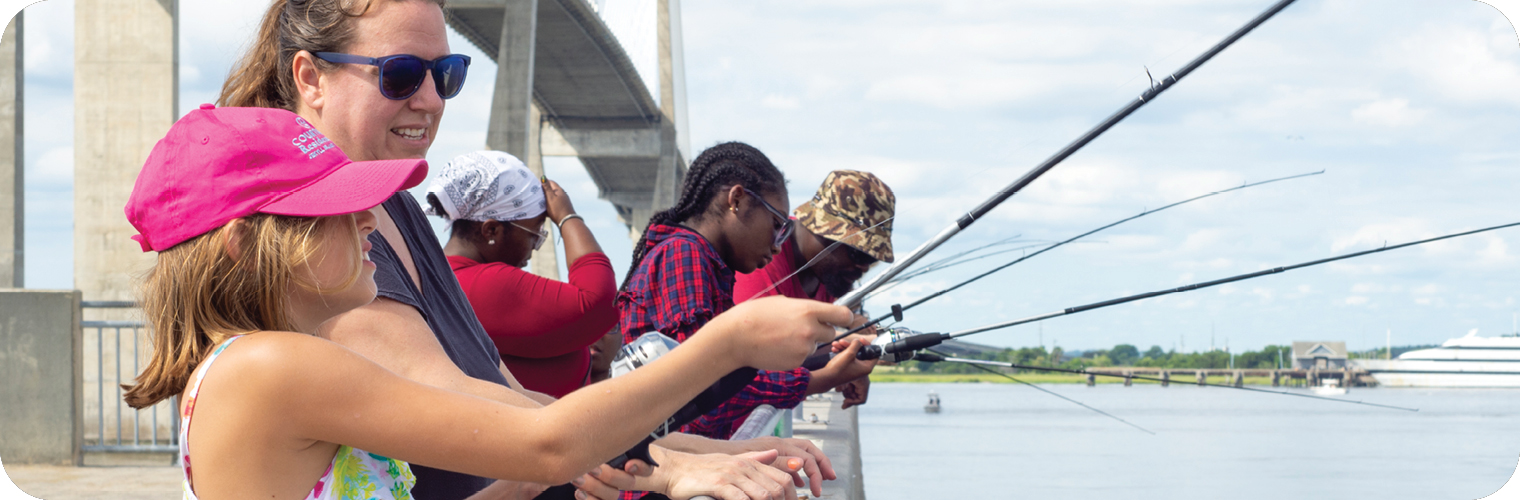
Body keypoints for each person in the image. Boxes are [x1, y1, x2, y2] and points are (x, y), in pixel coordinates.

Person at [217, 1, 839, 497]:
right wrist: (726, 348)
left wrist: (708, 454)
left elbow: (520, 404)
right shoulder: (320, 261)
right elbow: (536, 435)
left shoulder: (395, 208)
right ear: (309, 77)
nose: (431, 99)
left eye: (447, 74)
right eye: (401, 73)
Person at [122, 105, 837, 500]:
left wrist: (536, 482)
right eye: (334, 213)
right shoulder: (274, 367)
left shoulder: (256, 368)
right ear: (246, 248)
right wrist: (731, 341)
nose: (370, 221)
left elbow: (536, 453)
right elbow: (548, 441)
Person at [617, 143, 879, 445]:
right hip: (654, 478)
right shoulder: (683, 255)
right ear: (737, 200)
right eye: (777, 225)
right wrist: (822, 380)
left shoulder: (707, 265)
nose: (779, 244)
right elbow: (703, 391)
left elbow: (717, 376)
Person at [427, 151, 617, 398]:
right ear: (491, 230)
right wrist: (567, 216)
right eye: (534, 234)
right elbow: (600, 302)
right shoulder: (486, 285)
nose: (535, 247)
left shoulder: (440, 275)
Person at [733, 170, 897, 409]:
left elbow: (800, 350)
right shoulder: (761, 258)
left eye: (872, 259)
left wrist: (852, 360)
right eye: (859, 252)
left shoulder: (825, 275)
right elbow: (753, 362)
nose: (863, 267)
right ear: (823, 229)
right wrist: (843, 356)